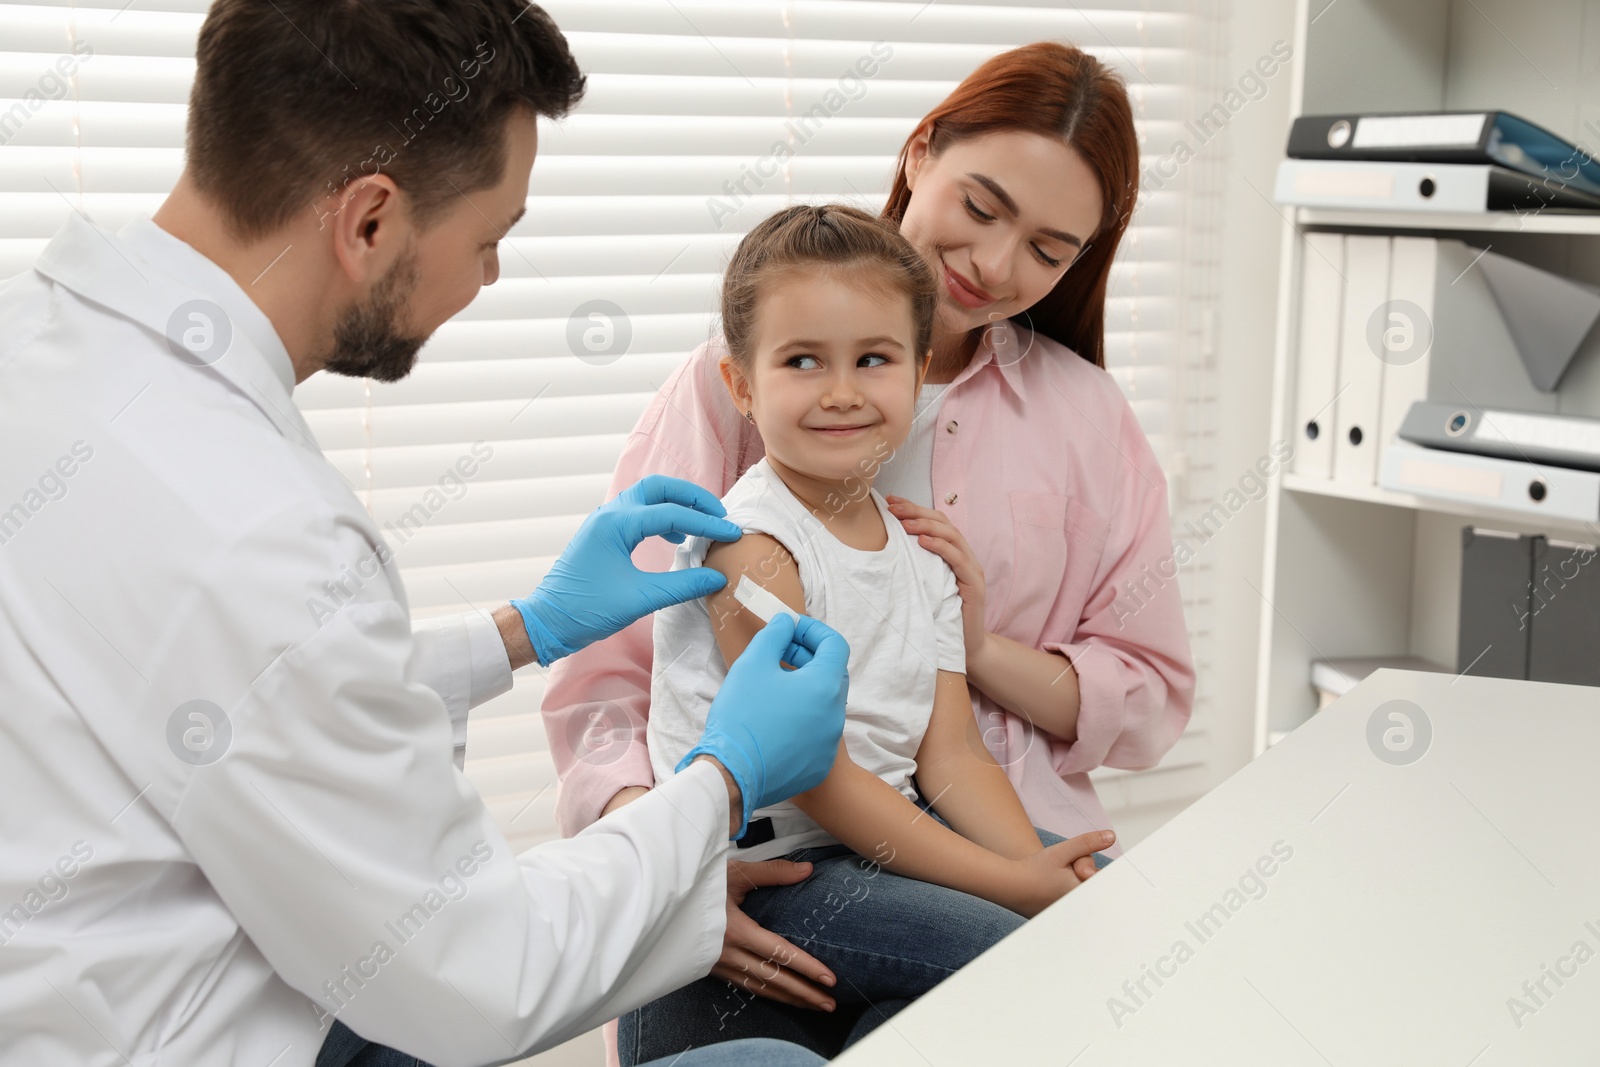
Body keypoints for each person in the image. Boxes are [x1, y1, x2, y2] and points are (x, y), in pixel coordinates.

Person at [0, 4, 849, 1066]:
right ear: (369, 221)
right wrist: (726, 776)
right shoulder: (259, 526)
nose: (486, 278)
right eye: (488, 240)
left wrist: (519, 631)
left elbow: (214, 680)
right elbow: (475, 976)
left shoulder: (40, 340)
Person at [543, 40, 1198, 1059]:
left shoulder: (1067, 430)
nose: (992, 265)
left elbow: (1118, 700)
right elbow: (609, 671)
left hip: (976, 842)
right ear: (921, 149)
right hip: (762, 860)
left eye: (1047, 249)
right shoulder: (742, 448)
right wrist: (661, 860)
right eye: (979, 209)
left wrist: (981, 655)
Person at [620, 203, 1117, 1064]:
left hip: (878, 843)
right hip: (779, 866)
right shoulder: (756, 549)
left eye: (874, 359)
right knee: (1022, 946)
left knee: (1104, 898)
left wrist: (1039, 870)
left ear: (918, 372)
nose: (843, 390)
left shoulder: (918, 550)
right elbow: (813, 774)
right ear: (742, 384)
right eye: (803, 360)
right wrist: (1011, 887)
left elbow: (952, 753)